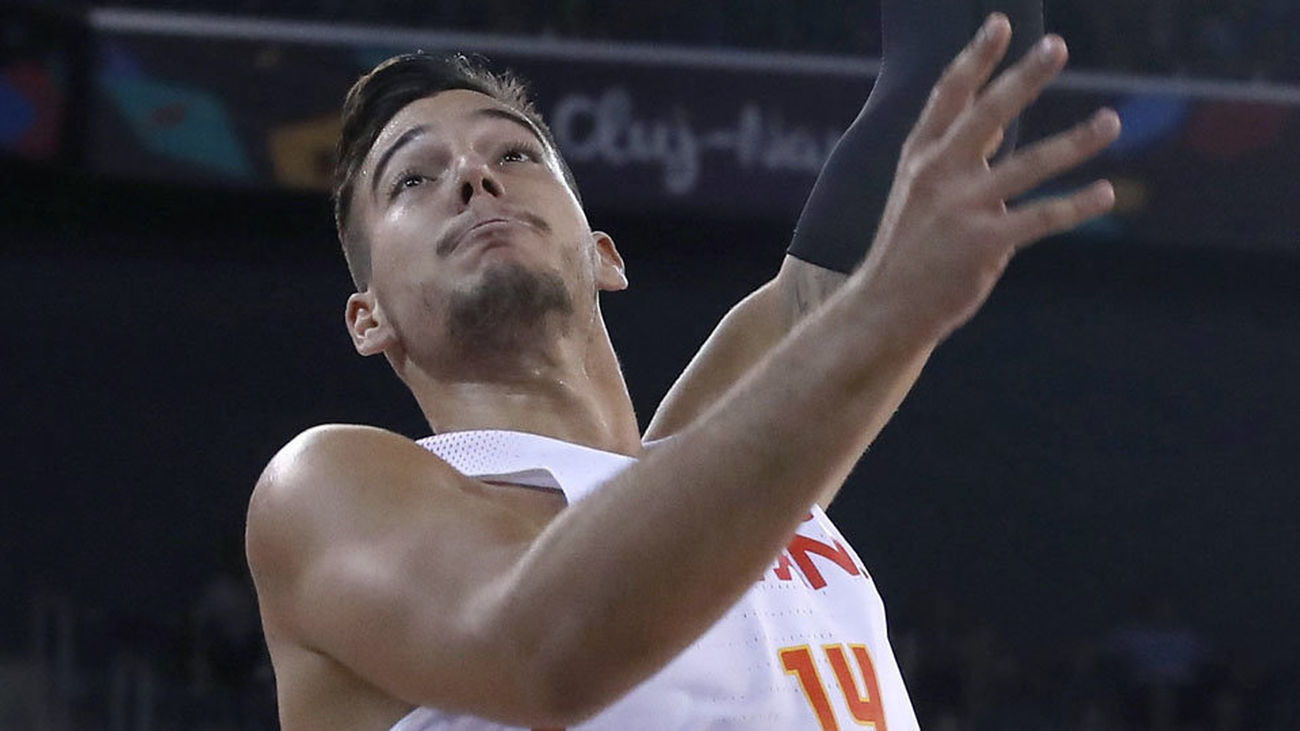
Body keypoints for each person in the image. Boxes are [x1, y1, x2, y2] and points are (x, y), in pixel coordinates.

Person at [245, 0, 1122, 727]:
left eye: (511, 152)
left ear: (604, 255)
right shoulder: (323, 490)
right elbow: (539, 652)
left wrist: (869, 306)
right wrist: (875, 315)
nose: (475, 176)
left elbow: (948, 89)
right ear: (369, 319)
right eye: (413, 179)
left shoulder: (730, 472)